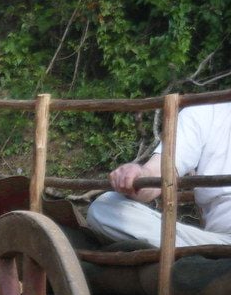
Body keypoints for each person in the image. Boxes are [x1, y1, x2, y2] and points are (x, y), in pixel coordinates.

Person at [86, 103, 231, 247]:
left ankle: (201, 260)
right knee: (105, 207)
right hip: (220, 242)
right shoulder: (205, 113)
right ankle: (203, 258)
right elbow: (159, 172)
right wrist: (137, 175)